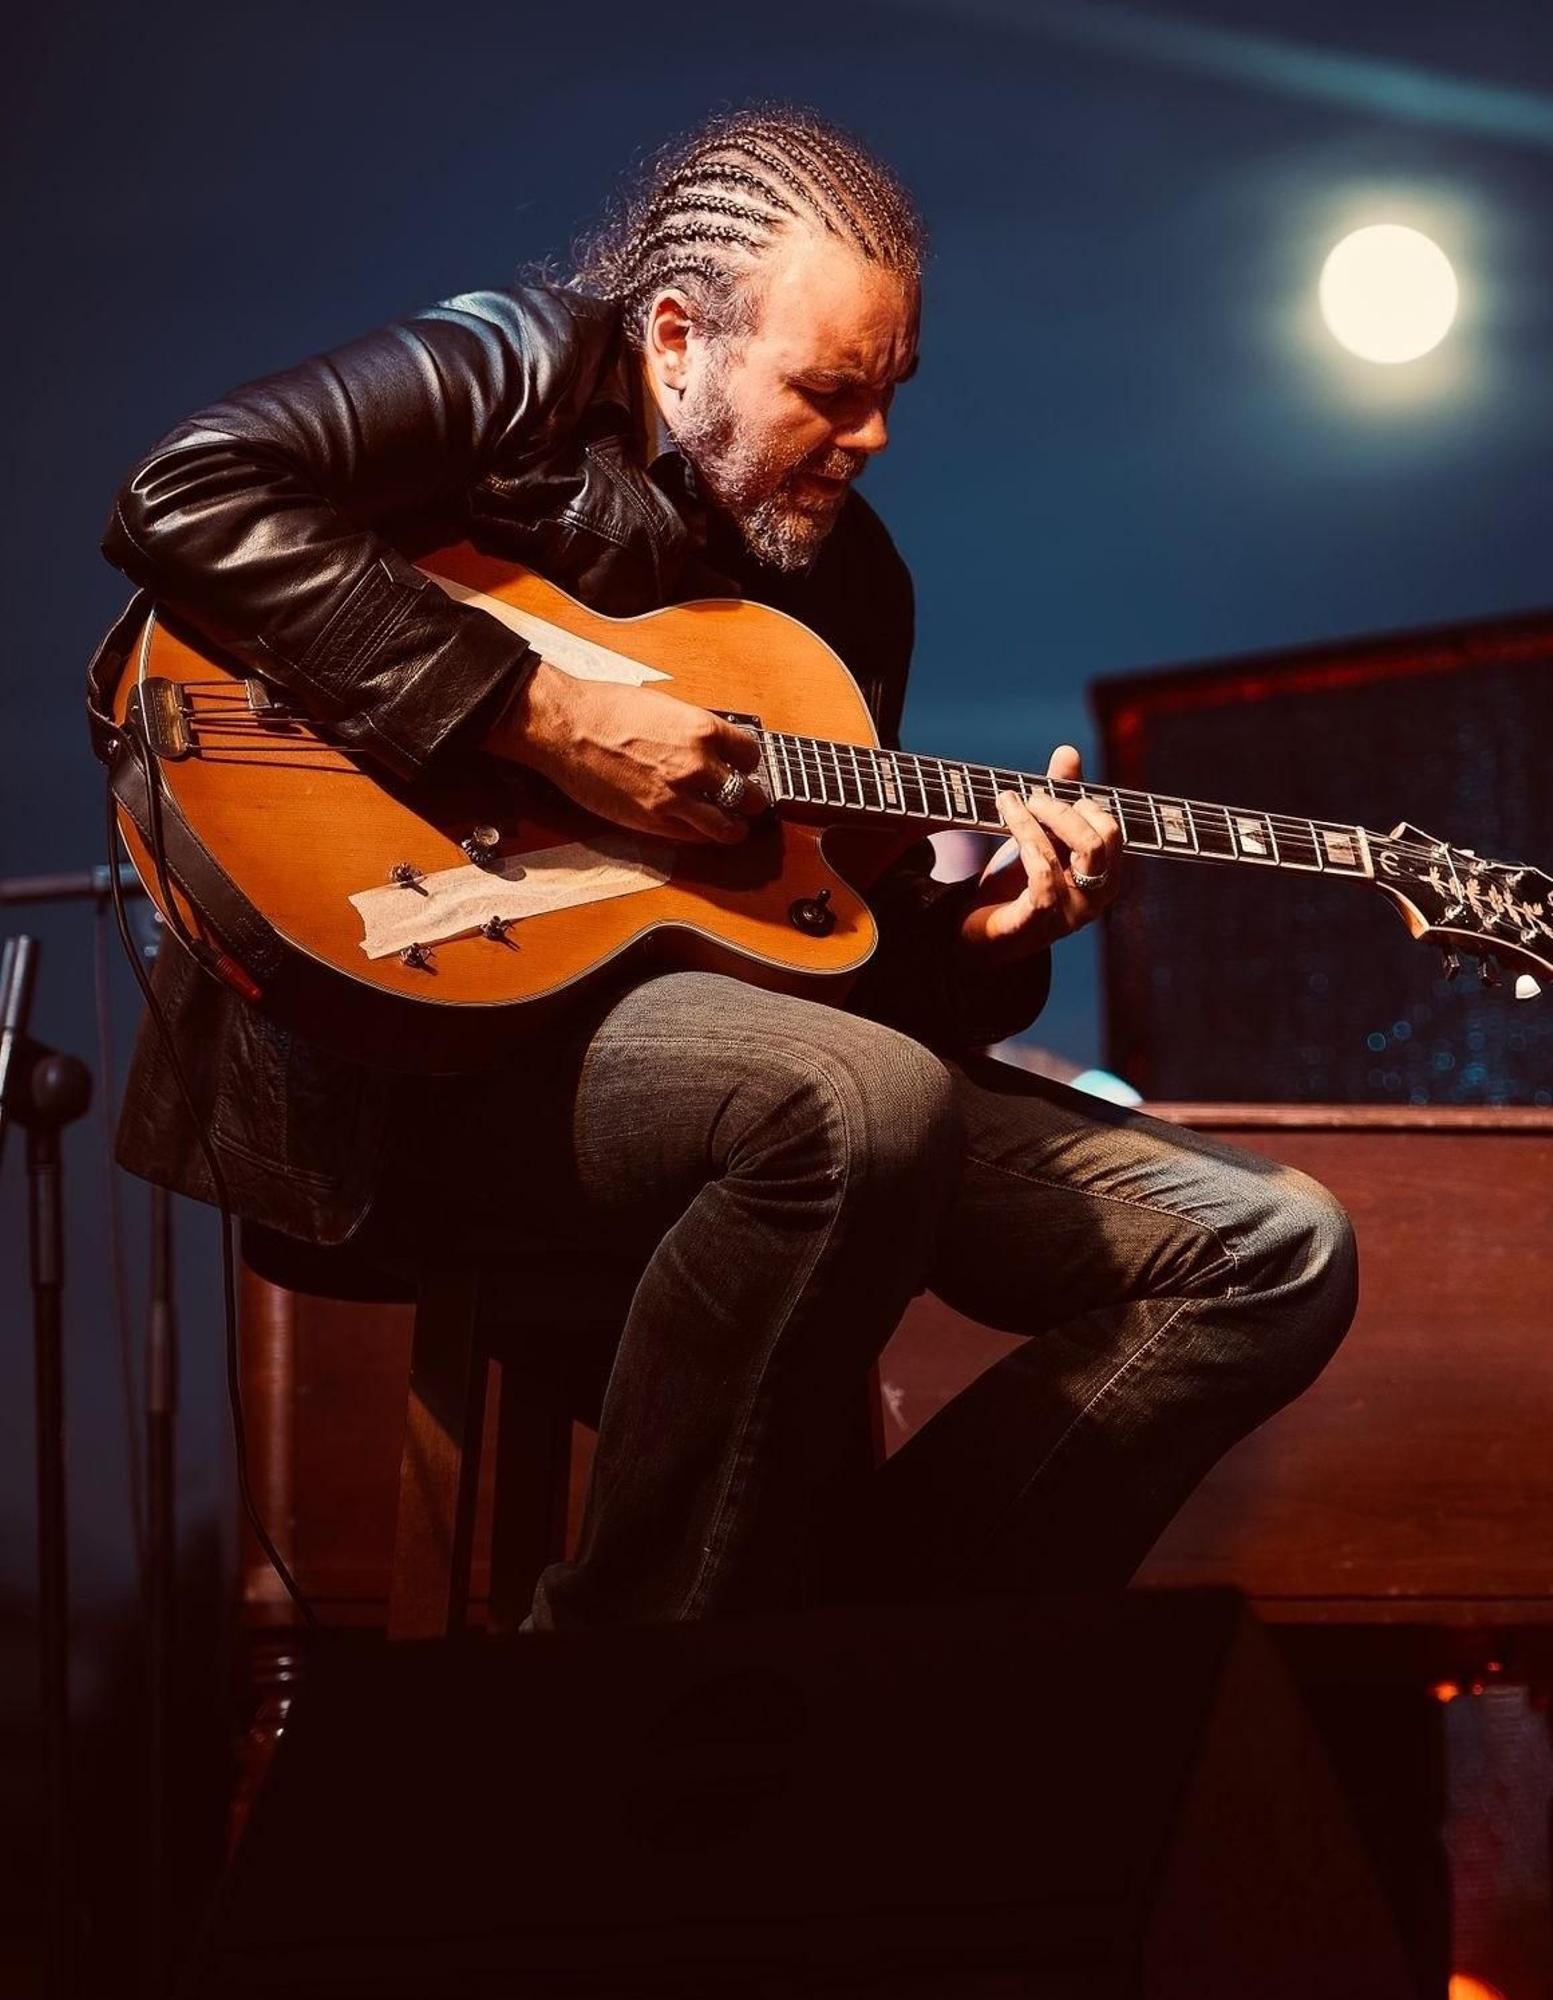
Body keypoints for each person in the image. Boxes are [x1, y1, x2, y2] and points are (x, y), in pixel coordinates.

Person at [89, 105, 1357, 1629]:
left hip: (713, 1055)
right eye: (827, 391)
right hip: (415, 1056)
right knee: (846, 1106)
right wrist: (541, 714)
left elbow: (829, 958)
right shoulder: (515, 367)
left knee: (1273, 1246)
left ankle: (878, 1654)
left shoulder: (851, 581)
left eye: (889, 395)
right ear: (678, 335)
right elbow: (186, 492)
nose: (870, 437)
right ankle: (625, 1691)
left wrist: (991, 932)